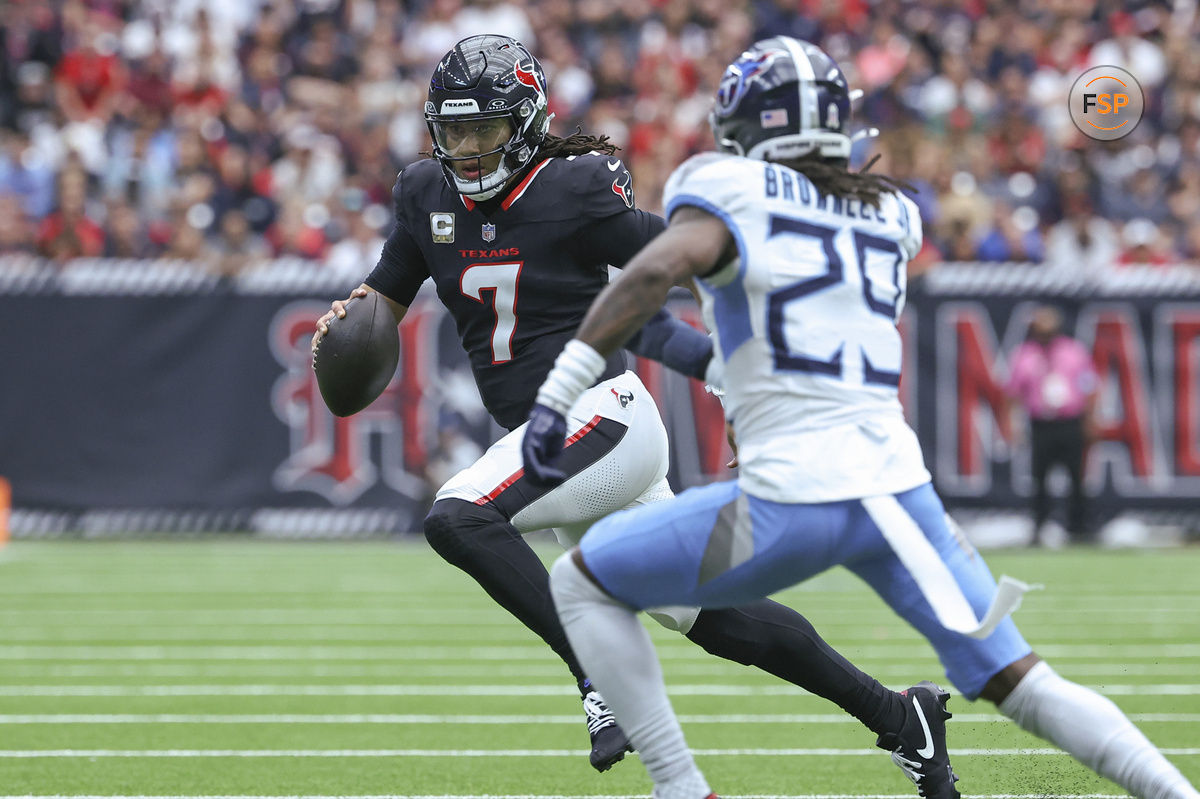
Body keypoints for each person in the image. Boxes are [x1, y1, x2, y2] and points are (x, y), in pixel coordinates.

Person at [524, 36, 1200, 799]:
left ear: (746, 126)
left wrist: (560, 392)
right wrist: (702, 364)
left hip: (788, 503)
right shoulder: (892, 213)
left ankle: (682, 787)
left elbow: (652, 271)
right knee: (1026, 684)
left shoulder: (727, 186)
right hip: (898, 498)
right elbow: (769, 344)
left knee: (582, 581)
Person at [312, 34, 959, 793]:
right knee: (711, 617)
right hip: (557, 444)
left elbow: (685, 261)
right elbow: (381, 297)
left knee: (457, 515)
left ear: (524, 124)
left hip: (602, 416)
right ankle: (899, 713)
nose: (470, 148)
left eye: (484, 130)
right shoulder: (427, 194)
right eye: (454, 131)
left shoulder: (573, 189)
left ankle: (592, 677)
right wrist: (345, 322)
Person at [1004, 305, 1098, 544]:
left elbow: (1089, 386)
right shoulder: (1024, 355)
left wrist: (1090, 419)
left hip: (1069, 422)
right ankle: (1039, 526)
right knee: (1039, 478)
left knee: (1076, 477)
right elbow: (1013, 393)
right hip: (1041, 424)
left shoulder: (1073, 351)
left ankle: (1079, 527)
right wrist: (1012, 424)